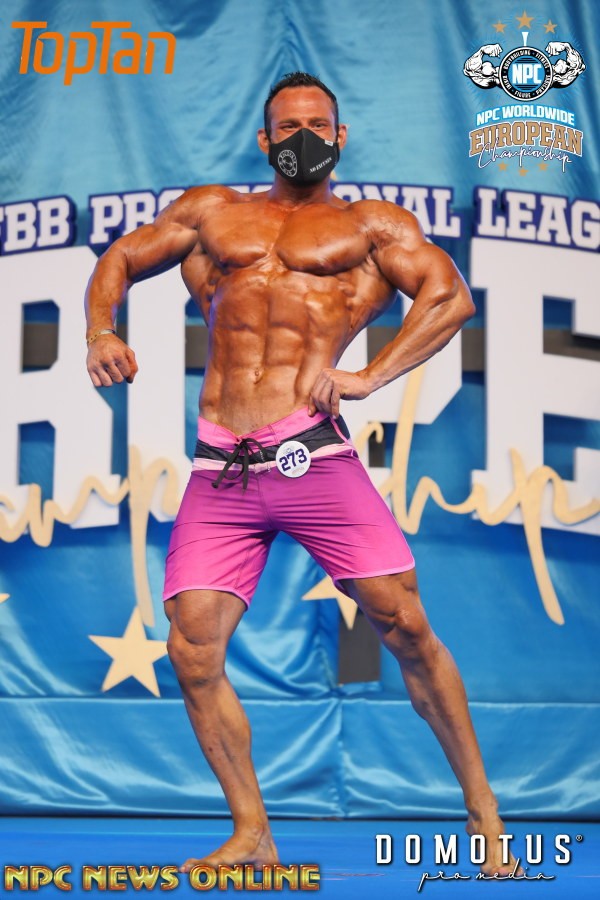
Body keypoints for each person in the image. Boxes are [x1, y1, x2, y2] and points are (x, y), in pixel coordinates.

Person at [85, 72, 520, 877]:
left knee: (406, 626)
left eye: (318, 124)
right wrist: (99, 332)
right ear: (265, 139)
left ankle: (483, 808)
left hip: (311, 454)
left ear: (341, 136)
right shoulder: (213, 213)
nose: (304, 136)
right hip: (222, 465)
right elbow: (121, 256)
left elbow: (450, 298)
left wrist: (372, 375)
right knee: (191, 649)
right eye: (289, 126)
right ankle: (253, 833)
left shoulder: (370, 226)